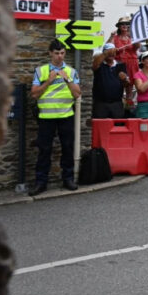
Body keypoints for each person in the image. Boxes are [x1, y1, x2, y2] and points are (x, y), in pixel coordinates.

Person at [30, 39, 82, 194]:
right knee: (44, 150)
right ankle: (41, 182)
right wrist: (49, 80)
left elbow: (77, 93)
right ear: (50, 54)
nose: (60, 56)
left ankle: (68, 179)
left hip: (66, 115)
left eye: (62, 53)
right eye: (56, 53)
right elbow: (34, 93)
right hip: (46, 117)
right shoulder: (41, 71)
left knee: (67, 148)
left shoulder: (71, 72)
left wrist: (67, 79)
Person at [91, 42, 129, 119]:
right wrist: (106, 53)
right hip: (101, 104)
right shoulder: (100, 65)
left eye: (113, 52)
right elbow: (94, 66)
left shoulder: (120, 65)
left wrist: (125, 80)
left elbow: (126, 84)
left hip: (117, 103)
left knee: (117, 127)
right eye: (109, 52)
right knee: (100, 126)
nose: (111, 54)